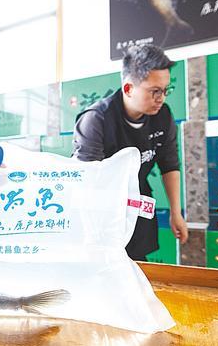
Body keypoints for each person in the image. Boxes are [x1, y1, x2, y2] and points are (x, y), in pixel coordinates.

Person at [72, 44, 188, 261]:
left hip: (139, 201)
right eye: (154, 91)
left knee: (138, 264)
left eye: (165, 90)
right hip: (100, 211)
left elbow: (169, 163)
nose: (161, 98)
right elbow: (85, 181)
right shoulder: (97, 119)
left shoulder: (163, 115)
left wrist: (176, 212)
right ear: (128, 88)